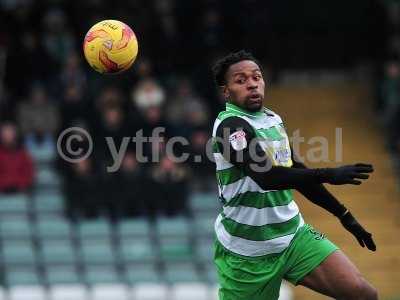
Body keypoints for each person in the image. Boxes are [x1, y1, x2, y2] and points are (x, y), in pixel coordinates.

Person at [211, 50, 378, 300]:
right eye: (241, 80)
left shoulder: (272, 119)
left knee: (363, 294)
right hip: (248, 253)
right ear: (226, 92)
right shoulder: (230, 127)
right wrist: (329, 174)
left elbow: (297, 173)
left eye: (256, 77)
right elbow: (266, 176)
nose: (252, 84)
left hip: (293, 237)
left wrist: (344, 215)